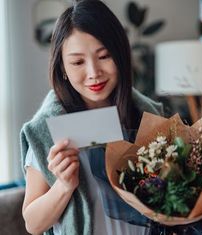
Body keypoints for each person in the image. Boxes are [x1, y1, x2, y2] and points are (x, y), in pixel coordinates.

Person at [20, 1, 163, 234]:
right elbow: (33, 224)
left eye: (104, 56)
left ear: (120, 56)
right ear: (63, 68)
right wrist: (64, 186)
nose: (94, 73)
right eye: (77, 62)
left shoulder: (148, 116)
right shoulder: (48, 130)